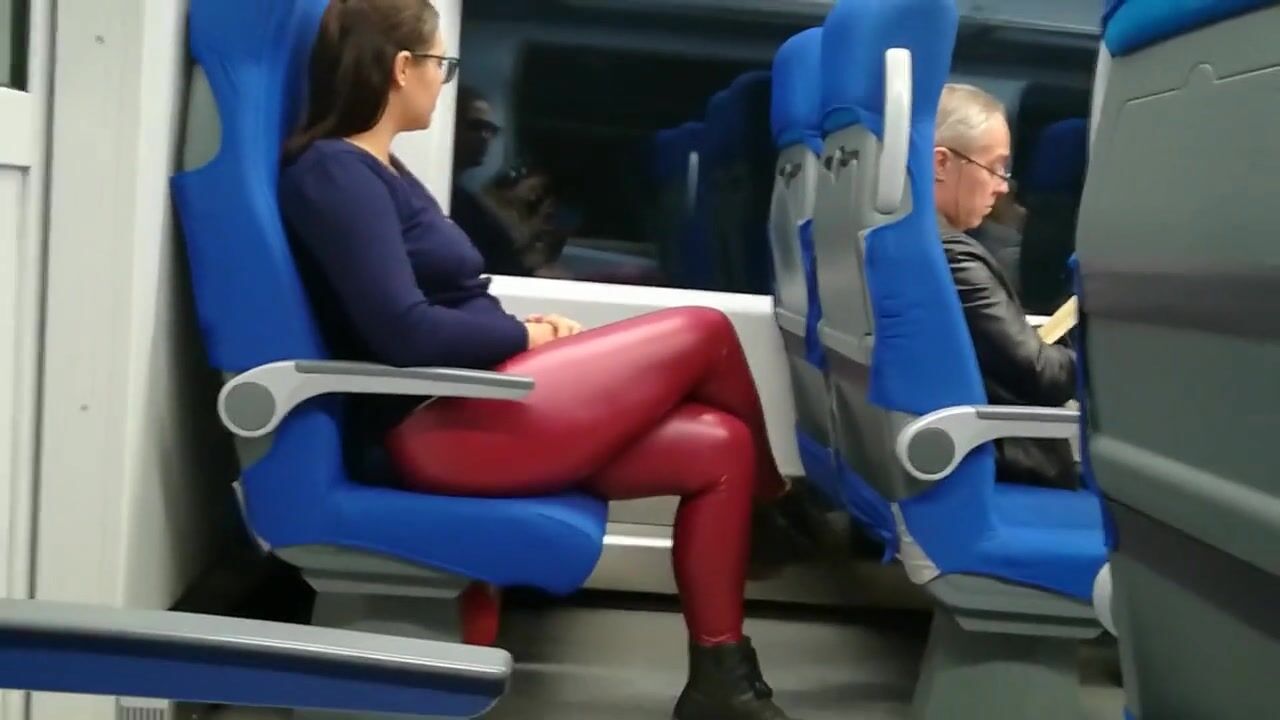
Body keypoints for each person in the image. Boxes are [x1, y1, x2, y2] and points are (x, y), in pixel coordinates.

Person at [276, 2, 815, 718]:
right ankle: (777, 501)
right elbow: (404, 333)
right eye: (441, 65)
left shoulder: (383, 169)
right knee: (705, 329)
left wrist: (520, 329)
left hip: (472, 400)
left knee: (721, 445)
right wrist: (521, 339)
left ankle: (722, 681)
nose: (443, 80)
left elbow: (434, 305)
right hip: (430, 426)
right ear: (402, 68)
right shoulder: (335, 173)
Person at [932, 83, 1078, 490]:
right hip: (1005, 466)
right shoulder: (952, 257)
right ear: (941, 163)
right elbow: (1041, 376)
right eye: (995, 168)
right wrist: (1101, 357)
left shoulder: (920, 244)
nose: (1003, 187)